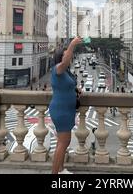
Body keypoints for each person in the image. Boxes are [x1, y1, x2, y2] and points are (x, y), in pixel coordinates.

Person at [49, 36, 82, 174]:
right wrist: (72, 44)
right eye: (64, 55)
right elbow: (65, 60)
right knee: (63, 143)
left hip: (66, 111)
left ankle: (61, 169)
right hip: (61, 111)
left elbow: (68, 85)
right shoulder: (58, 68)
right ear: (60, 58)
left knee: (62, 142)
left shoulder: (65, 72)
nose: (68, 57)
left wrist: (76, 90)